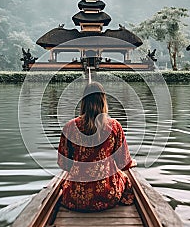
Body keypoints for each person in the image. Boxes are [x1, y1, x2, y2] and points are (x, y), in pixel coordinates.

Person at [57, 82, 136, 211]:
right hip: (107, 194)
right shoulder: (114, 126)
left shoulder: (70, 127)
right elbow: (123, 163)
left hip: (76, 197)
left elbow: (63, 164)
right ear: (103, 101)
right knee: (124, 179)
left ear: (83, 101)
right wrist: (130, 163)